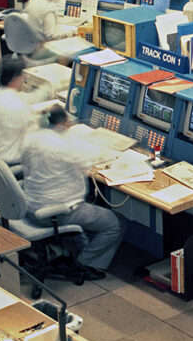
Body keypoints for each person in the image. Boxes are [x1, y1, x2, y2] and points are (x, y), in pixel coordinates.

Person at [21, 106, 125, 277]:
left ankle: (76, 247)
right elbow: (93, 156)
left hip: (29, 206)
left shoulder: (30, 138)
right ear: (64, 123)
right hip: (55, 212)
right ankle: (86, 263)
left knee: (90, 205)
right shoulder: (64, 146)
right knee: (116, 223)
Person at [0, 55, 42, 166]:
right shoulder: (18, 105)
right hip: (7, 165)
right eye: (22, 76)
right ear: (15, 79)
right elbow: (34, 136)